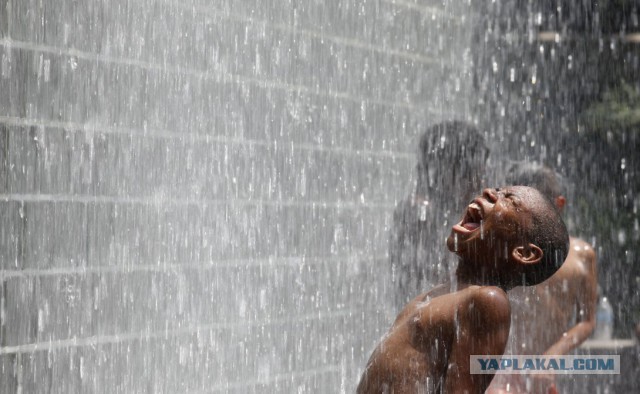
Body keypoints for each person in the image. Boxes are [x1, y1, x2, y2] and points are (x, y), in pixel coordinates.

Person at [358, 186, 569, 393]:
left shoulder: (489, 300)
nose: (489, 192)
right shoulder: (446, 292)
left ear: (524, 252)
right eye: (498, 188)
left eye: (510, 200)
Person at [487, 164, 598, 394]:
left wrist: (553, 354)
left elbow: (587, 321)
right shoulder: (498, 249)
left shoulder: (582, 255)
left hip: (543, 374)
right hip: (498, 372)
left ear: (559, 205)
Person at [390, 121, 490, 310]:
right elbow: (428, 282)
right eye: (479, 168)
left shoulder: (453, 210)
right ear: (457, 170)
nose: (482, 177)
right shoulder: (420, 214)